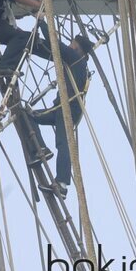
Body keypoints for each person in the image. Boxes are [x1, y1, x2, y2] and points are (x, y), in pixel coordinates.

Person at [29, 34, 93, 199]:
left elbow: (54, 44)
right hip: (62, 108)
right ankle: (40, 148)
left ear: (77, 47)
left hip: (67, 108)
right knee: (28, 116)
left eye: (72, 44)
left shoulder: (76, 58)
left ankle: (62, 183)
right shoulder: (80, 64)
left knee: (63, 143)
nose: (70, 45)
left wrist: (42, 21)